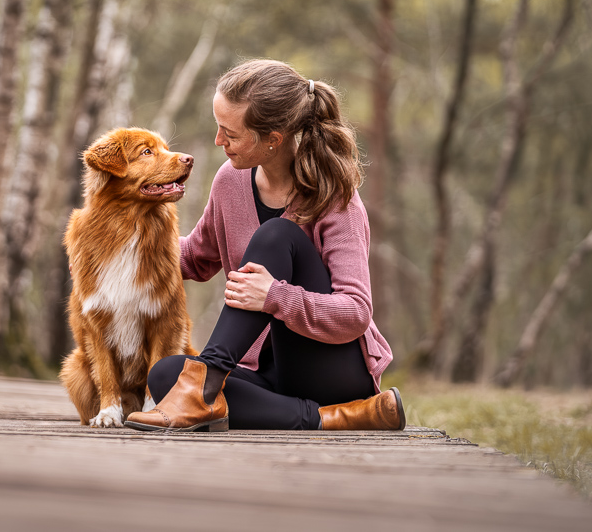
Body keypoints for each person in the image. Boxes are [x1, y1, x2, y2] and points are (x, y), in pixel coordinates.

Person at [124, 58, 404, 433]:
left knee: (278, 235)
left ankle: (206, 383)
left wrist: (275, 296)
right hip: (269, 374)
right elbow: (196, 256)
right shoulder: (230, 181)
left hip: (331, 369)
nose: (218, 141)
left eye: (230, 134)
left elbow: (355, 313)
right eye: (218, 127)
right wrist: (122, 255)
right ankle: (335, 418)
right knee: (165, 377)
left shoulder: (333, 196)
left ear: (273, 139)